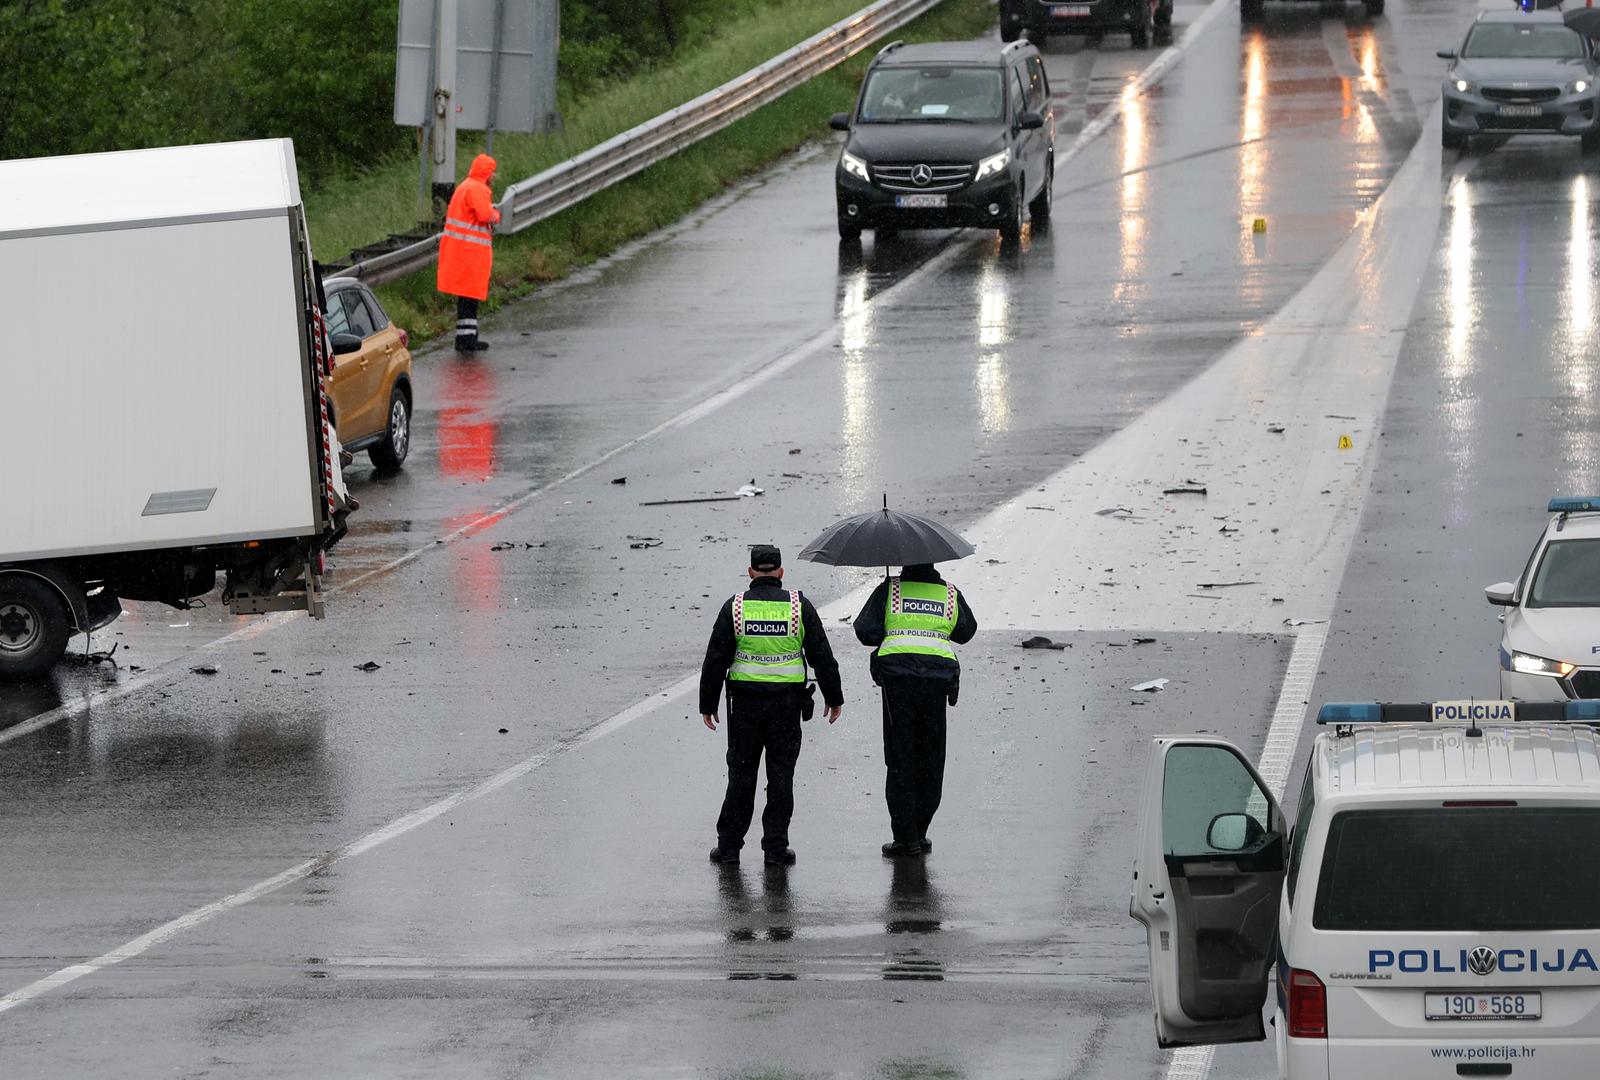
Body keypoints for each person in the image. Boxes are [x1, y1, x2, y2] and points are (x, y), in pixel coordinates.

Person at [700, 544, 844, 866]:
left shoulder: (735, 608)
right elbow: (822, 654)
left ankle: (729, 849)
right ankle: (776, 850)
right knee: (781, 778)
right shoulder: (798, 606)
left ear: (751, 572)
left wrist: (707, 704)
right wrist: (834, 697)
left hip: (746, 709)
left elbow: (715, 659)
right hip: (786, 708)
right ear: (780, 572)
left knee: (741, 777)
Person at [854, 563, 977, 858]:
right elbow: (965, 631)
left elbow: (865, 631)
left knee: (900, 759)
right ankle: (920, 831)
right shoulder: (949, 593)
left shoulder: (890, 589)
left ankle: (905, 838)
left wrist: (889, 622)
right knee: (931, 760)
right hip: (936, 683)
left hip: (898, 682)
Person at [436, 153, 501, 353]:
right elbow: (484, 214)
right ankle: (467, 340)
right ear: (486, 173)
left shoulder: (466, 186)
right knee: (469, 297)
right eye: (492, 172)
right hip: (470, 252)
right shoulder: (478, 189)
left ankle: (466, 336)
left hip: (462, 250)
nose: (494, 177)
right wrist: (496, 215)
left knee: (467, 297)